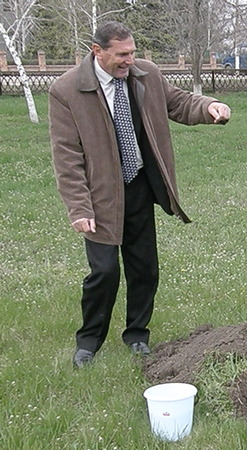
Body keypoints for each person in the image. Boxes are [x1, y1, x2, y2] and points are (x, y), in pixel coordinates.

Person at [49, 21, 231, 369]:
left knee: (144, 267)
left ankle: (137, 335)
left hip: (139, 187)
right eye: (121, 54)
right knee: (104, 272)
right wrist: (78, 207)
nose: (129, 60)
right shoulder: (67, 90)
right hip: (99, 195)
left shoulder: (145, 74)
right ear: (96, 51)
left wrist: (209, 107)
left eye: (132, 52)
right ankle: (89, 341)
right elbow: (66, 156)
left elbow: (179, 103)